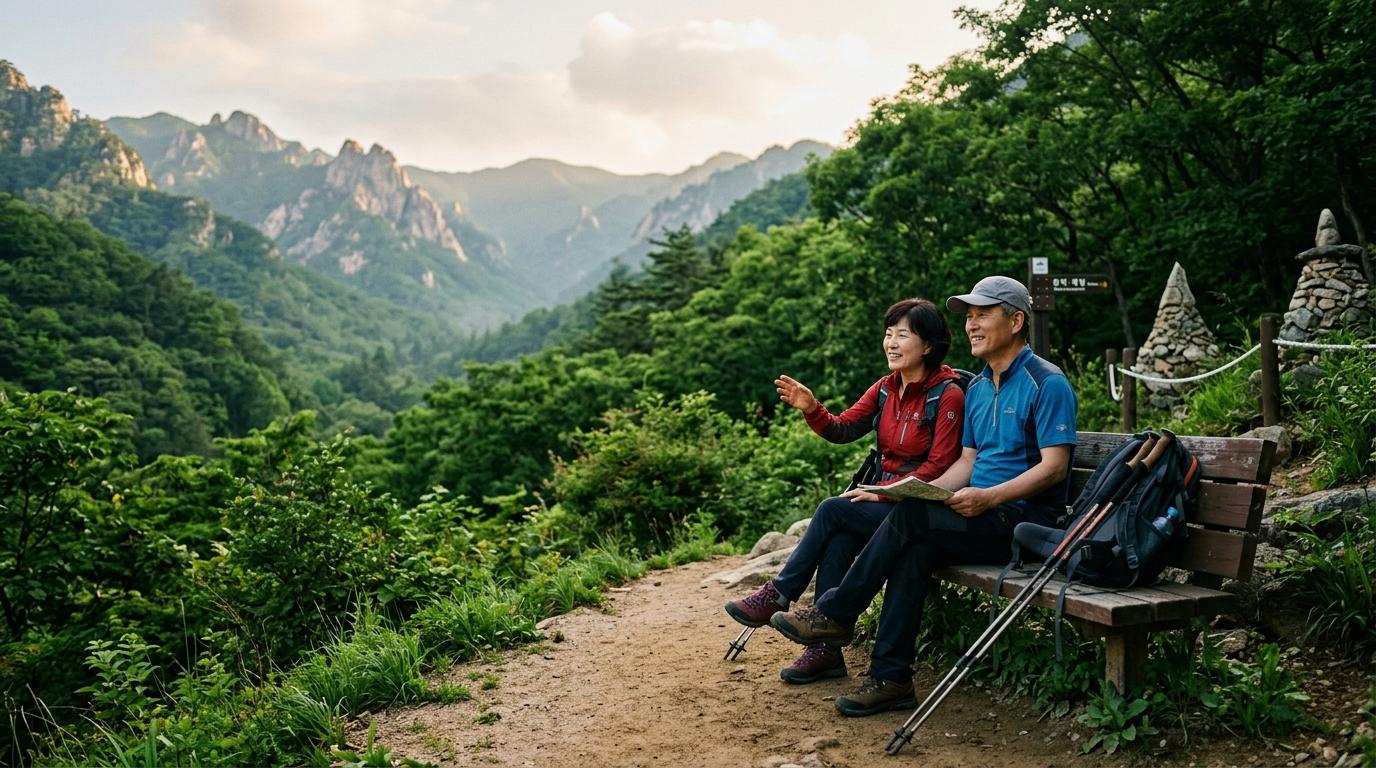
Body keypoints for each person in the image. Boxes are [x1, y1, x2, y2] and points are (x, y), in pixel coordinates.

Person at [768, 276, 1077, 717]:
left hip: (1021, 521)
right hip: (977, 513)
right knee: (913, 546)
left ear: (1015, 321)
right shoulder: (979, 387)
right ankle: (891, 678)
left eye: (982, 314)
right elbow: (967, 462)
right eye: (968, 316)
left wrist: (987, 499)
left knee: (913, 521)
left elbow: (1055, 468)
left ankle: (835, 614)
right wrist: (913, 492)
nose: (972, 324)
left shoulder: (1046, 383)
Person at [724, 298, 965, 685]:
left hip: (916, 507)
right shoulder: (886, 389)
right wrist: (811, 407)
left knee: (833, 510)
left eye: (902, 335)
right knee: (838, 536)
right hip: (886, 503)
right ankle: (826, 652)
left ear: (929, 346)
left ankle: (781, 594)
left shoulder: (947, 394)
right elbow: (842, 429)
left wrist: (885, 493)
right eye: (888, 334)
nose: (891, 343)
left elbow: (939, 466)